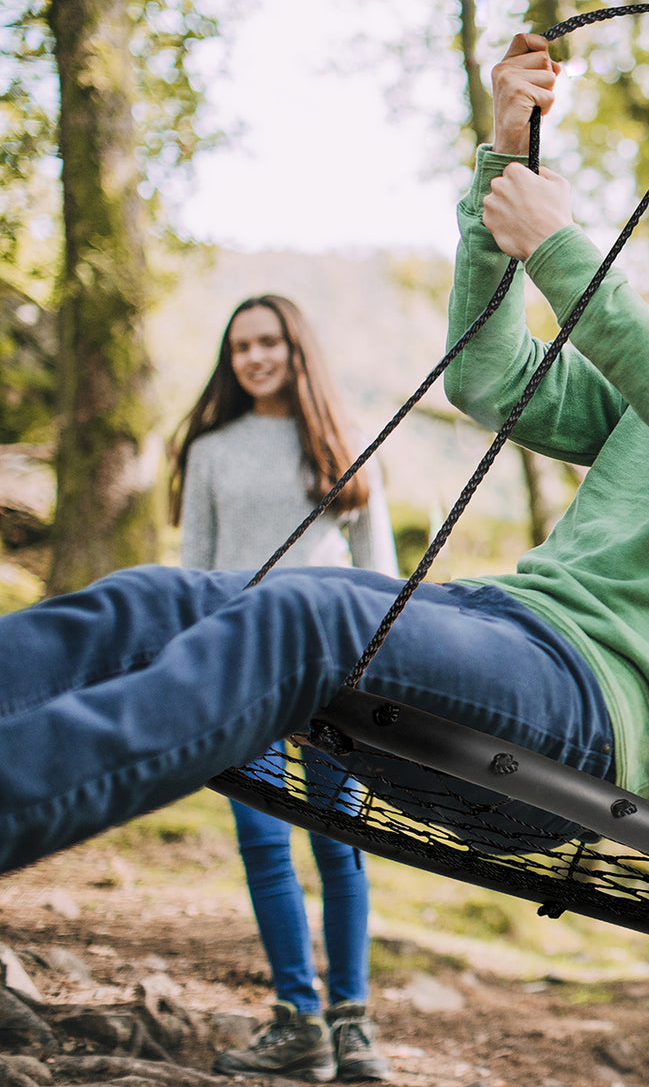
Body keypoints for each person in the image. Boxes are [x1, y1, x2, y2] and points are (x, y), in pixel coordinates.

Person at [0, 34, 649, 896]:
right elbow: (491, 378)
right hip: (498, 635)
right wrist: (507, 161)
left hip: (588, 719)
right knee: (154, 600)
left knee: (307, 611)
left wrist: (561, 247)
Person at [168, 295, 396, 1083]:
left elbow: (382, 577)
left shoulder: (343, 444)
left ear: (298, 349)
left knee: (343, 845)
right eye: (241, 348)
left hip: (337, 679)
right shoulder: (211, 450)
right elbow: (196, 571)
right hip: (241, 672)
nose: (256, 357)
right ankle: (297, 1018)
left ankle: (352, 1024)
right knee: (265, 846)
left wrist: (385, 675)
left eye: (269, 342)